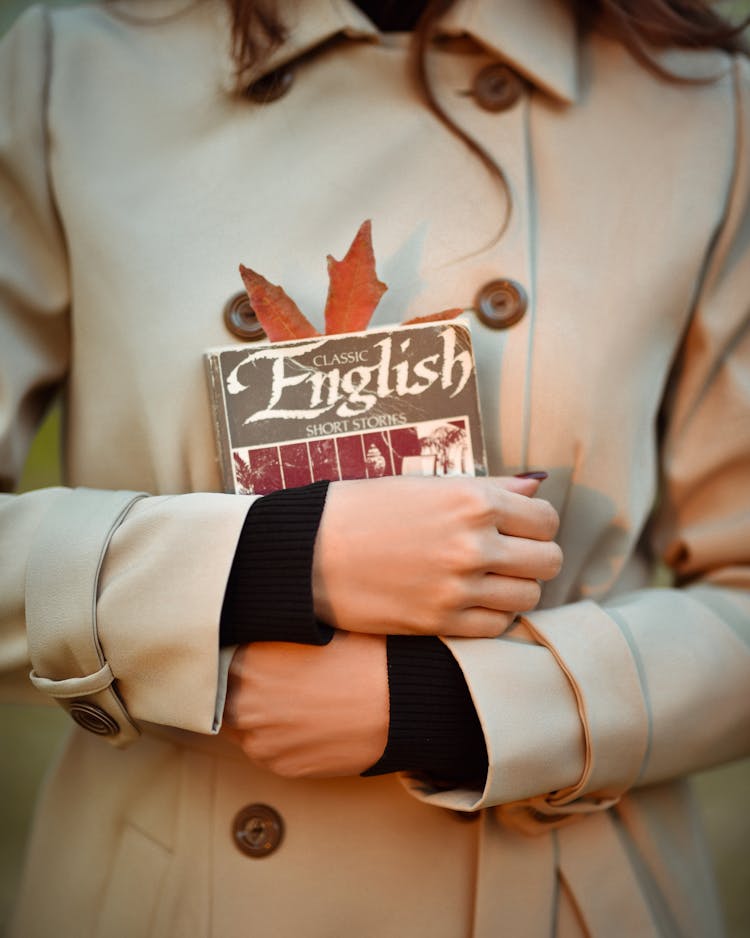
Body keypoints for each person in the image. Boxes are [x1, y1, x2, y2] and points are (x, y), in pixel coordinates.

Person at [1, 0, 748, 935]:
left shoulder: (703, 103)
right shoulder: (75, 70)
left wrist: (457, 707)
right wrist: (278, 560)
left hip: (553, 889)